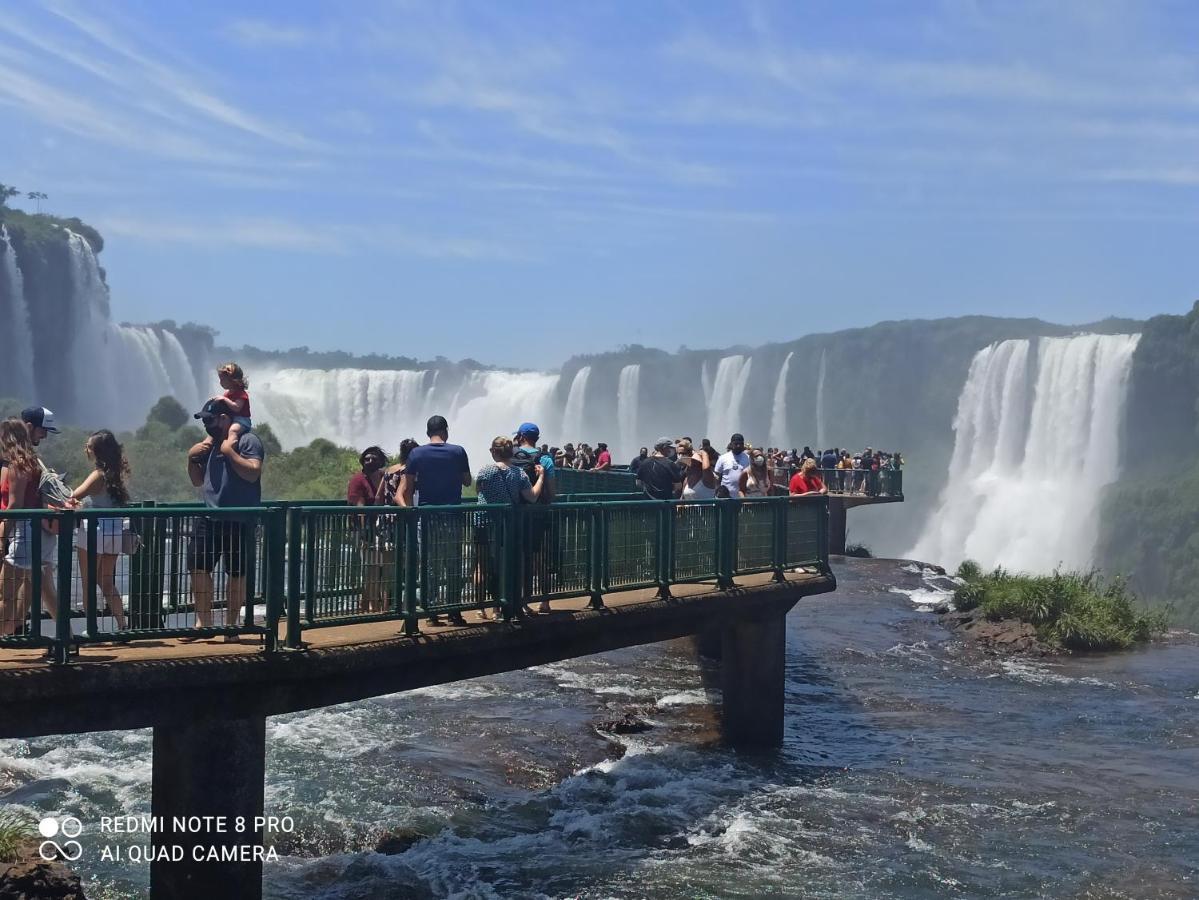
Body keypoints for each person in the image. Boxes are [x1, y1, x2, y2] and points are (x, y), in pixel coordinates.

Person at [186, 398, 265, 641]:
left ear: (223, 418)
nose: (206, 425)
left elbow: (252, 473)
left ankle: (231, 626)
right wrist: (190, 459)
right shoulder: (209, 445)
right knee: (197, 567)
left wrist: (229, 452)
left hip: (240, 520)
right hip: (209, 517)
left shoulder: (248, 441)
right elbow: (197, 481)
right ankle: (204, 623)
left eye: (209, 420)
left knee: (236, 573)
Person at [399, 416, 471, 626]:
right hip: (452, 516)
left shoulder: (416, 453)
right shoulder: (458, 451)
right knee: (453, 564)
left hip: (427, 516)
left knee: (430, 566)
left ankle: (431, 611)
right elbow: (467, 481)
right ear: (446, 430)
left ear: (427, 432)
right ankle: (454, 611)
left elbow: (409, 488)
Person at [473, 436, 546, 619]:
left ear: (494, 452)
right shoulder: (518, 474)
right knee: (505, 566)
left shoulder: (485, 471)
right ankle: (502, 607)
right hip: (506, 526)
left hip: (483, 523)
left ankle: (481, 607)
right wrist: (541, 477)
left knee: (482, 566)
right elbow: (532, 497)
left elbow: (478, 491)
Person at [70, 430, 131, 632]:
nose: (85, 449)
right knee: (106, 582)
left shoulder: (98, 475)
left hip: (94, 531)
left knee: (88, 582)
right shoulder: (116, 473)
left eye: (88, 446)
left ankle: (91, 627)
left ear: (96, 452)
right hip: (114, 530)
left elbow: (74, 495)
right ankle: (123, 626)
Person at [0, 419, 48, 636]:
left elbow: (15, 505)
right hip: (31, 533)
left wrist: (2, 537)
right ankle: (13, 633)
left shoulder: (17, 465)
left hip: (23, 534)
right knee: (40, 588)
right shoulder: (31, 462)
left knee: (4, 594)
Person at [510, 423, 557, 614]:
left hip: (515, 514)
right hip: (538, 514)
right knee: (540, 557)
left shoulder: (511, 456)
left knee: (518, 558)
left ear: (520, 436)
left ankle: (520, 602)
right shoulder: (545, 459)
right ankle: (544, 601)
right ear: (537, 438)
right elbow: (552, 493)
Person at [348, 446, 388, 613]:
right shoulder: (358, 480)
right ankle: (373, 606)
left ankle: (365, 603)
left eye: (374, 459)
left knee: (377, 567)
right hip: (364, 529)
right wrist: (365, 532)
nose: (370, 461)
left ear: (380, 461)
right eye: (367, 459)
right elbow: (359, 506)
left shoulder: (382, 477)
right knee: (371, 566)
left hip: (381, 529)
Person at [214, 363, 253, 443]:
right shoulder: (227, 394)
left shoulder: (241, 393)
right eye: (220, 379)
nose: (220, 382)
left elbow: (236, 408)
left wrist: (224, 399)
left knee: (233, 431)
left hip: (242, 420)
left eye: (223, 379)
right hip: (231, 418)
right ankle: (221, 440)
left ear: (233, 380)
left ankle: (229, 447)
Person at [379, 438, 419, 506]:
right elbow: (399, 497)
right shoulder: (407, 470)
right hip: (400, 512)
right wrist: (409, 512)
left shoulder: (388, 470)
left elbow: (378, 496)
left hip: (387, 512)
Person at [714, 433, 751, 499]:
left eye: (741, 444)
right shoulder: (723, 458)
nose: (738, 446)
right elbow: (717, 476)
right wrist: (717, 490)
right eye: (736, 443)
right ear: (731, 444)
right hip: (725, 497)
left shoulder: (748, 458)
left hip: (743, 497)